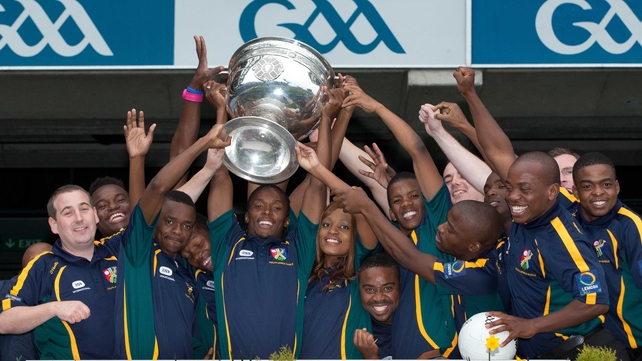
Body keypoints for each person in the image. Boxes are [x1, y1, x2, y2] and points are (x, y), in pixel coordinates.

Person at [453, 66, 611, 358]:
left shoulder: (565, 240)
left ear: (553, 191)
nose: (513, 197)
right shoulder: (540, 202)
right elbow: (500, 151)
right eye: (509, 187)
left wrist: (532, 326)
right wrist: (470, 94)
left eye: (523, 190)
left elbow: (595, 302)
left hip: (567, 353)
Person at [205, 88, 336, 360]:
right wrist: (220, 110)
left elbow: (317, 185)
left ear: (287, 219)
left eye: (277, 208)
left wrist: (325, 116)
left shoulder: (298, 250)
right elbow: (218, 174)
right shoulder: (226, 243)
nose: (267, 212)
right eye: (258, 206)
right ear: (246, 216)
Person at [342, 82, 458, 359]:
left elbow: (418, 150)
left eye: (414, 196)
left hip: (440, 352)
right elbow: (366, 178)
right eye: (397, 200)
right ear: (391, 211)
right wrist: (322, 133)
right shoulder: (392, 235)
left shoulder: (439, 224)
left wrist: (376, 106)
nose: (406, 204)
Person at [113, 111, 230, 359]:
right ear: (155, 222)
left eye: (187, 226)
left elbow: (189, 334)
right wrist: (204, 142)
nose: (178, 231)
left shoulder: (186, 274)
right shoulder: (139, 254)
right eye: (169, 221)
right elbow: (158, 187)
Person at [0, 185, 129, 359]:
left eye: (83, 209)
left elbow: (159, 203)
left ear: (95, 215)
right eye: (68, 213)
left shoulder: (117, 249)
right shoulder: (43, 265)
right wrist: (54, 308)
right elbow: (5, 321)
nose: (79, 218)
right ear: (54, 225)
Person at [291, 142, 378, 359]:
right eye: (327, 224)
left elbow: (359, 206)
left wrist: (318, 169)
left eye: (345, 226)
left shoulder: (360, 271)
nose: (334, 231)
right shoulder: (304, 276)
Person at [572, 152, 642, 360]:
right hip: (593, 340)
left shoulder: (631, 227)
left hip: (633, 342)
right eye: (587, 186)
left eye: (606, 185)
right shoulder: (568, 223)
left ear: (617, 187)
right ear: (575, 191)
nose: (598, 193)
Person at [89, 107, 155, 238]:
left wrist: (137, 159)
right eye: (102, 206)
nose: (113, 207)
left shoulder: (160, 242)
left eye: (120, 199)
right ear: (92, 217)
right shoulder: (92, 256)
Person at [0, 242, 53, 361]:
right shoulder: (4, 289)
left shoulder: (69, 291)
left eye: (47, 260)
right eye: (35, 262)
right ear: (26, 267)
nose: (41, 266)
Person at [353, 252, 400, 360]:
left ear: (400, 285)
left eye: (387, 288)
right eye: (369, 290)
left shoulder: (416, 326)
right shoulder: (359, 334)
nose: (378, 298)